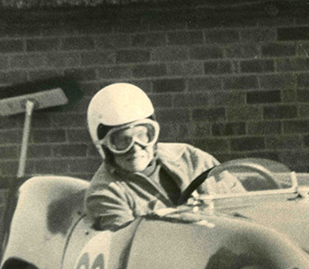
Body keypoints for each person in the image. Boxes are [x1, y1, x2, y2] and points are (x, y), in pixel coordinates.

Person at [84, 83, 223, 231]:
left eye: (142, 135)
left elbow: (235, 202)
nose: (135, 148)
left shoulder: (189, 157)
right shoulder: (104, 193)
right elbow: (130, 241)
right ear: (104, 146)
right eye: (122, 140)